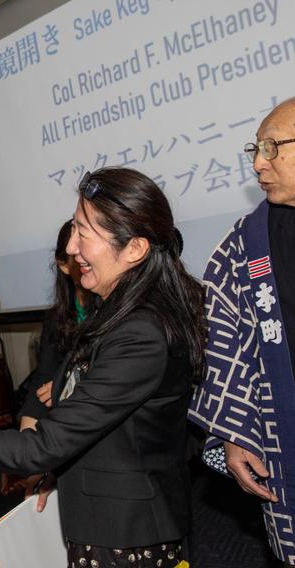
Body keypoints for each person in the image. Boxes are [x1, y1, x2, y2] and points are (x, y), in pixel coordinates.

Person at [0, 167, 205, 566]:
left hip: (130, 538)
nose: (70, 247)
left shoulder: (140, 332)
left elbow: (43, 445)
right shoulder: (120, 313)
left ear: (134, 249)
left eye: (84, 232)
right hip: (111, 523)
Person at [188, 97, 295, 564]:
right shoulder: (246, 245)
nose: (257, 162)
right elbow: (223, 344)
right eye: (256, 147)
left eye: (273, 147)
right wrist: (235, 432)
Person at [2, 219, 90, 504]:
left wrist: (63, 388)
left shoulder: (116, 309)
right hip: (65, 423)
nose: (83, 257)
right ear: (63, 265)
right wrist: (31, 455)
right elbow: (42, 380)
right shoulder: (56, 318)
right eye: (74, 256)